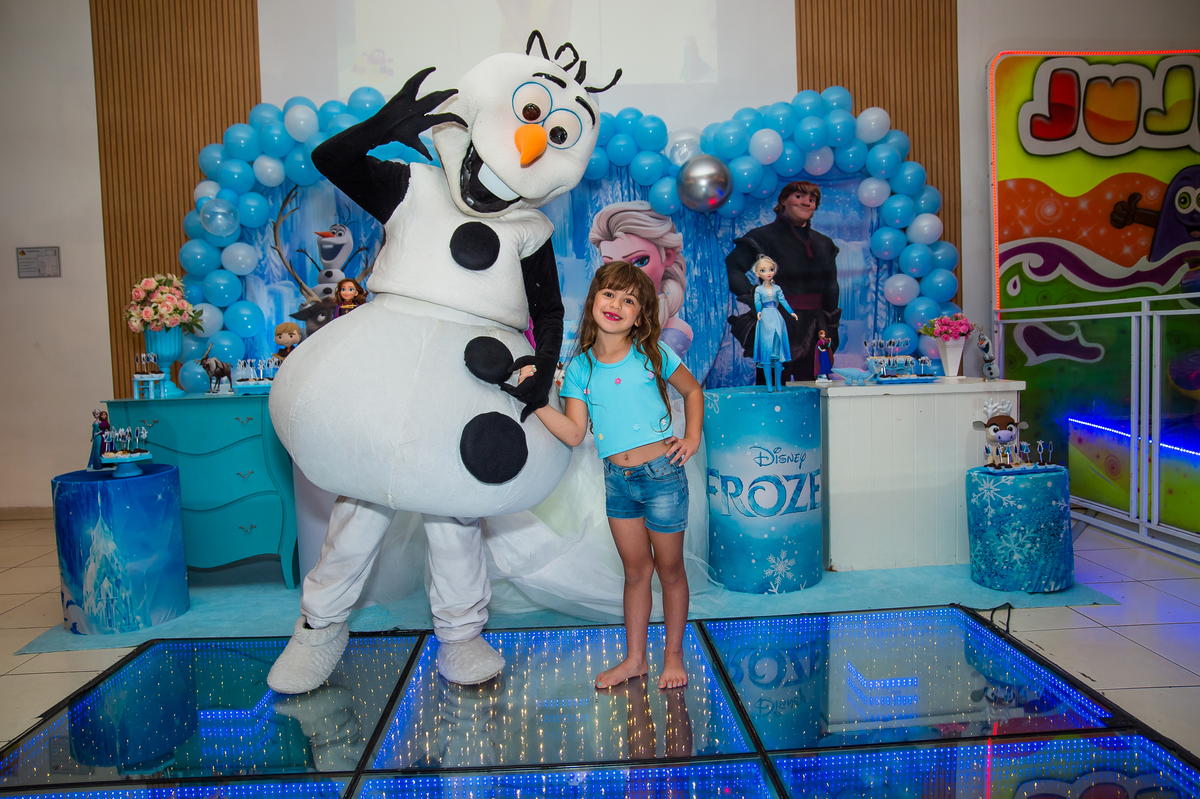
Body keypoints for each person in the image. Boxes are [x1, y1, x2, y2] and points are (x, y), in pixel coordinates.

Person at [520, 260, 704, 690]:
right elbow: (574, 432)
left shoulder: (652, 354)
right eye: (609, 294)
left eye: (629, 300)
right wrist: (537, 401)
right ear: (593, 301)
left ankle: (673, 655)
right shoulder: (580, 368)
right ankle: (635, 659)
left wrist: (692, 437)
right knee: (636, 572)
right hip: (617, 481)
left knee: (670, 570)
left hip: (662, 476)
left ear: (640, 316)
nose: (616, 305)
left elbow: (693, 390)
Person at [726, 180, 841, 383]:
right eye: (799, 196)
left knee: (816, 388)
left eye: (812, 199)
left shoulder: (824, 243)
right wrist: (757, 299)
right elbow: (733, 268)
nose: (806, 202)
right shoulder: (762, 237)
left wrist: (832, 326)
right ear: (783, 201)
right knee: (772, 388)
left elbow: (831, 285)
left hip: (817, 329)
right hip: (776, 325)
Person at [590, 201, 692, 358]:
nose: (625, 276)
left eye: (640, 262)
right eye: (611, 265)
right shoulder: (599, 323)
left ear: (668, 256)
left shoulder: (674, 332)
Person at [751, 256, 798, 392]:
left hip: (777, 317)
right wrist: (759, 312)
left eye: (771, 269)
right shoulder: (759, 290)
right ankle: (769, 385)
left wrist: (791, 312)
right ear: (758, 273)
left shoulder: (777, 288)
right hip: (765, 317)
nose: (768, 273)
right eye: (763, 270)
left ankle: (778, 384)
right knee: (766, 349)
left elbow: (783, 301)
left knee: (778, 350)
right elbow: (757, 302)